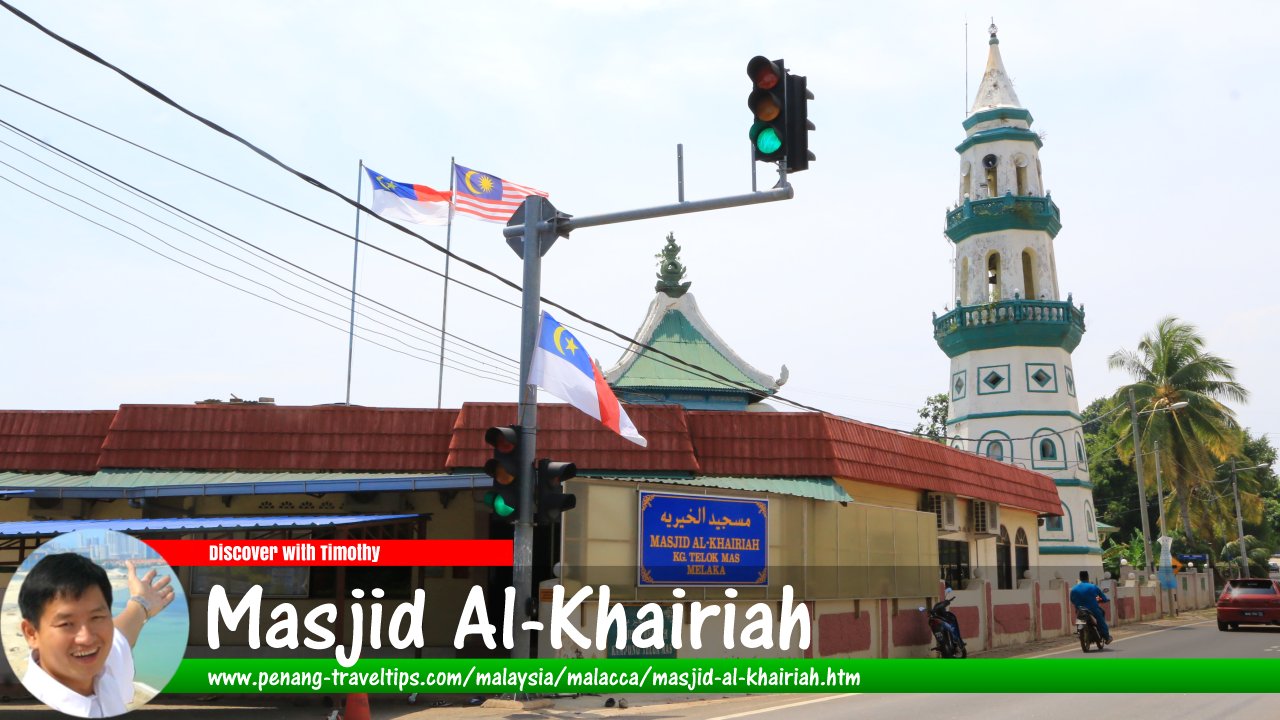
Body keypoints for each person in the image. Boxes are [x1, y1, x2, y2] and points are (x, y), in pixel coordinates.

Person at [18, 553, 176, 718]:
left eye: (96, 617)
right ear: (31, 633)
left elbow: (121, 635)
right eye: (66, 624)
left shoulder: (104, 668)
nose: (86, 638)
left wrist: (142, 603)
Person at [1069, 569, 1112, 644]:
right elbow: (1103, 597)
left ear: (1080, 578)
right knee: (1101, 620)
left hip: (1080, 610)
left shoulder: (1074, 589)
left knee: (1079, 622)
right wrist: (1105, 599)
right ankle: (1106, 637)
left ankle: (1079, 633)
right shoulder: (1093, 586)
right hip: (1093, 610)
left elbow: (1072, 600)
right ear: (1088, 577)